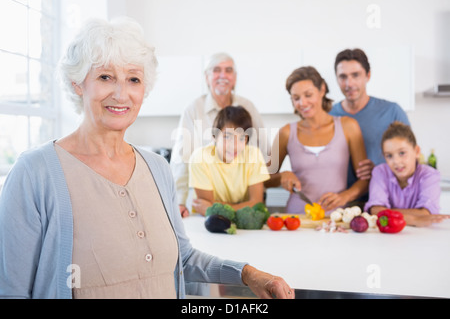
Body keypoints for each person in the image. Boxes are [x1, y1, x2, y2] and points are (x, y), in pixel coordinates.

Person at [0, 17, 294, 299]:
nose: (121, 93)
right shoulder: (33, 173)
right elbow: (11, 291)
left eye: (133, 79)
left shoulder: (157, 169)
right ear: (77, 83)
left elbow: (185, 258)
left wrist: (248, 274)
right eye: (105, 77)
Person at [170, 52, 267, 217]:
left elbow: (263, 150)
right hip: (206, 193)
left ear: (235, 77)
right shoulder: (194, 109)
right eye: (216, 70)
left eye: (228, 70)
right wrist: (179, 201)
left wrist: (260, 183)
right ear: (207, 77)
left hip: (241, 193)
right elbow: (182, 157)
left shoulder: (247, 106)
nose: (223, 75)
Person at [265, 66, 369, 214]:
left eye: (308, 95)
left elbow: (365, 179)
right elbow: (263, 179)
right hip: (297, 218)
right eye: (296, 98)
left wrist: (345, 197)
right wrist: (282, 176)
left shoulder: (348, 127)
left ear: (322, 90)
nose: (303, 103)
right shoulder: (287, 133)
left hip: (336, 218)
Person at [329, 48, 411, 192]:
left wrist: (380, 170)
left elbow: (410, 160)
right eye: (343, 77)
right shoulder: (329, 115)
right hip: (342, 201)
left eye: (356, 75)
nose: (349, 83)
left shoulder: (391, 111)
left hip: (384, 197)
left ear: (368, 75)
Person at [364, 122, 449, 227]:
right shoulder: (380, 172)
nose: (396, 161)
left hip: (422, 236)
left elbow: (426, 213)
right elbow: (376, 211)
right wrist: (414, 219)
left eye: (402, 153)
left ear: (417, 151)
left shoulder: (429, 175)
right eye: (389, 155)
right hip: (388, 235)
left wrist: (386, 212)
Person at [189, 106, 269, 215]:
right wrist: (243, 207)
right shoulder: (200, 158)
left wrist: (216, 208)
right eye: (227, 137)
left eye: (242, 138)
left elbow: (256, 203)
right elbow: (206, 207)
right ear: (215, 136)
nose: (234, 146)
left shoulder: (253, 155)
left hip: (241, 224)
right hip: (205, 224)